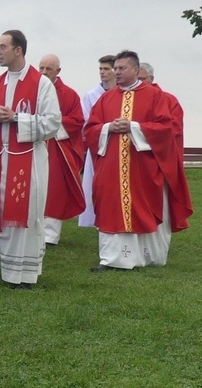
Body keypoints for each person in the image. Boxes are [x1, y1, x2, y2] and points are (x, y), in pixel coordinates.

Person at [85, 50, 192, 271]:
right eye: (115, 68)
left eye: (122, 68)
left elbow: (165, 128)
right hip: (112, 168)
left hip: (142, 167)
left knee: (141, 208)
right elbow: (90, 129)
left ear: (135, 69)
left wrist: (133, 127)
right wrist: (108, 127)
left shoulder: (155, 97)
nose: (117, 72)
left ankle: (146, 257)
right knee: (111, 207)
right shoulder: (106, 98)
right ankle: (112, 259)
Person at [0, 30, 61, 289]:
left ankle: (25, 274)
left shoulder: (41, 84)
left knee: (27, 214)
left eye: (3, 47)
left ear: (18, 50)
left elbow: (52, 123)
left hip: (30, 160)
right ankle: (8, 270)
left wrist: (16, 118)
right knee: (0, 213)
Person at [38, 54, 85, 246]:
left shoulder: (69, 94)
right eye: (41, 68)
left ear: (58, 71)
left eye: (48, 69)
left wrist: (48, 124)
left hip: (56, 148)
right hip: (33, 144)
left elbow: (76, 121)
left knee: (53, 190)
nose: (43, 72)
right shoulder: (33, 89)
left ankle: (50, 236)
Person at [78, 55, 116, 228]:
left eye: (106, 69)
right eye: (100, 69)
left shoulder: (123, 93)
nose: (102, 72)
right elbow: (85, 122)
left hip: (118, 147)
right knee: (96, 186)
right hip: (97, 148)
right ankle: (96, 219)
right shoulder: (92, 95)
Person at [138, 62, 184, 165]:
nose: (139, 83)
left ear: (151, 78)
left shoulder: (169, 100)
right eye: (136, 80)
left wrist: (140, 130)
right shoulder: (130, 100)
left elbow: (174, 129)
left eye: (142, 79)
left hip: (161, 157)